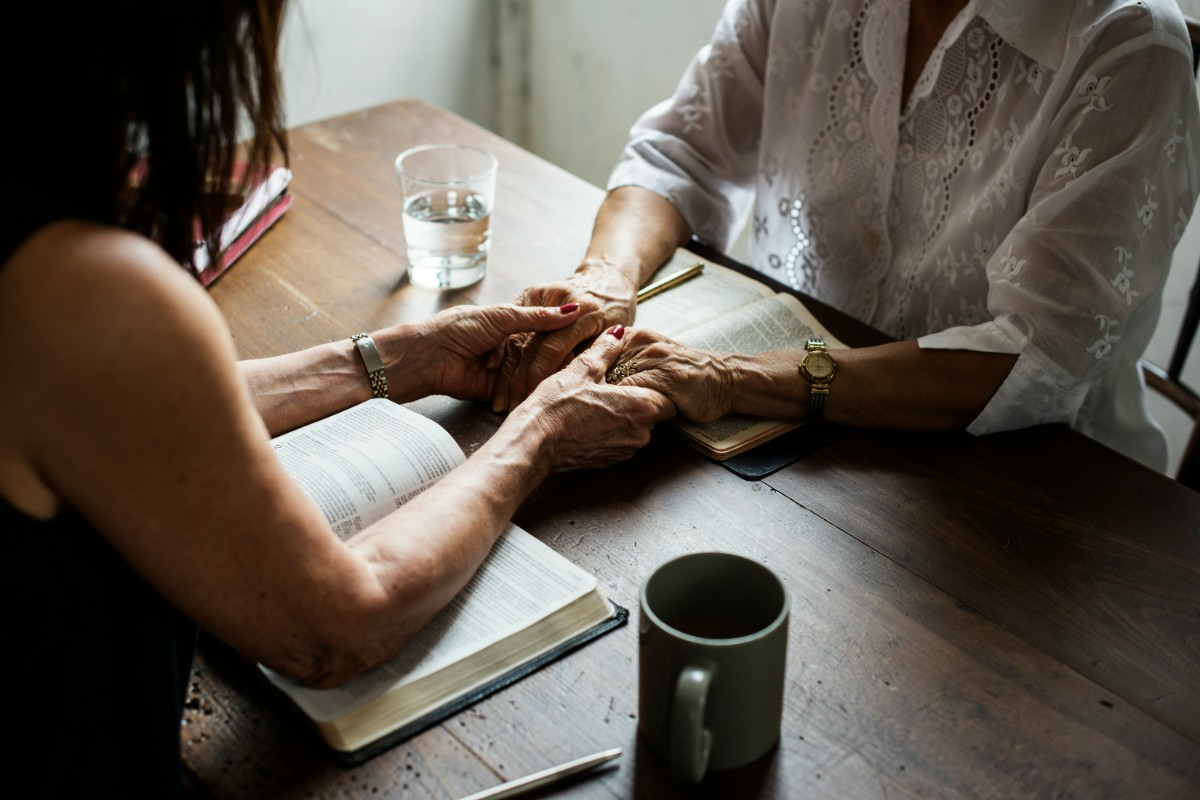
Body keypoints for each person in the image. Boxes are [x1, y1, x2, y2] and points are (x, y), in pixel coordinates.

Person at [0, 1, 671, 794]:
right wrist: (540, 434)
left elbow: (140, 412)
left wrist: (393, 358)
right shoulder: (91, 293)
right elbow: (337, 627)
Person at [497, 0, 1200, 471]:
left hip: (1033, 487)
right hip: (802, 436)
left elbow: (1039, 356)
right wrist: (606, 278)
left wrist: (728, 376)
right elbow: (681, 152)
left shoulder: (1130, 46)